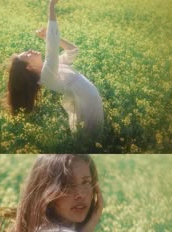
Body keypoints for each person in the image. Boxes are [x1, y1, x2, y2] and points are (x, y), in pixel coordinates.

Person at [7, 0, 104, 137]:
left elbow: (72, 51)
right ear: (29, 66)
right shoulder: (46, 76)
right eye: (27, 55)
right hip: (86, 102)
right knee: (91, 139)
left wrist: (50, 37)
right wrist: (51, 6)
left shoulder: (49, 67)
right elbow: (52, 47)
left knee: (93, 137)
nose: (30, 50)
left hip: (90, 98)